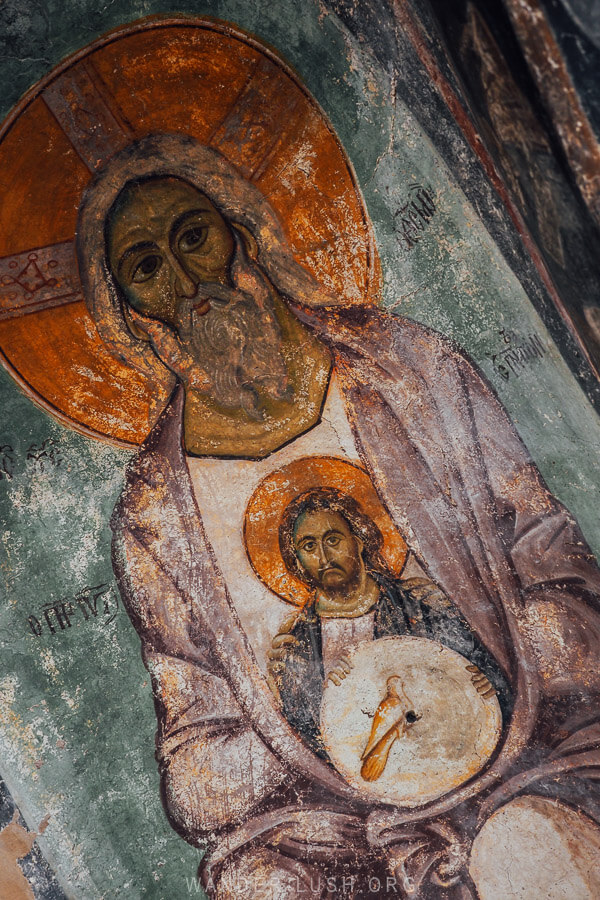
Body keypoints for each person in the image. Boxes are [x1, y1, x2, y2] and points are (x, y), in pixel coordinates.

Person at [77, 132, 600, 898]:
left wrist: (526, 639)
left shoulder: (402, 366)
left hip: (516, 742)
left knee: (530, 851)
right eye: (147, 269)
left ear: (242, 230)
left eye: (194, 237)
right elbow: (193, 749)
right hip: (329, 824)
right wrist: (303, 723)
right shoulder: (156, 513)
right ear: (133, 313)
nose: (189, 284)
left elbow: (544, 540)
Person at [271, 487, 511, 758]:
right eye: (309, 546)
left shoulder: (419, 605)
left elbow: (482, 670)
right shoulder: (298, 641)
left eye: (333, 540)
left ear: (358, 540)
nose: (324, 558)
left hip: (434, 751)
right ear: (298, 559)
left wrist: (489, 684)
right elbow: (304, 731)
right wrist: (296, 683)